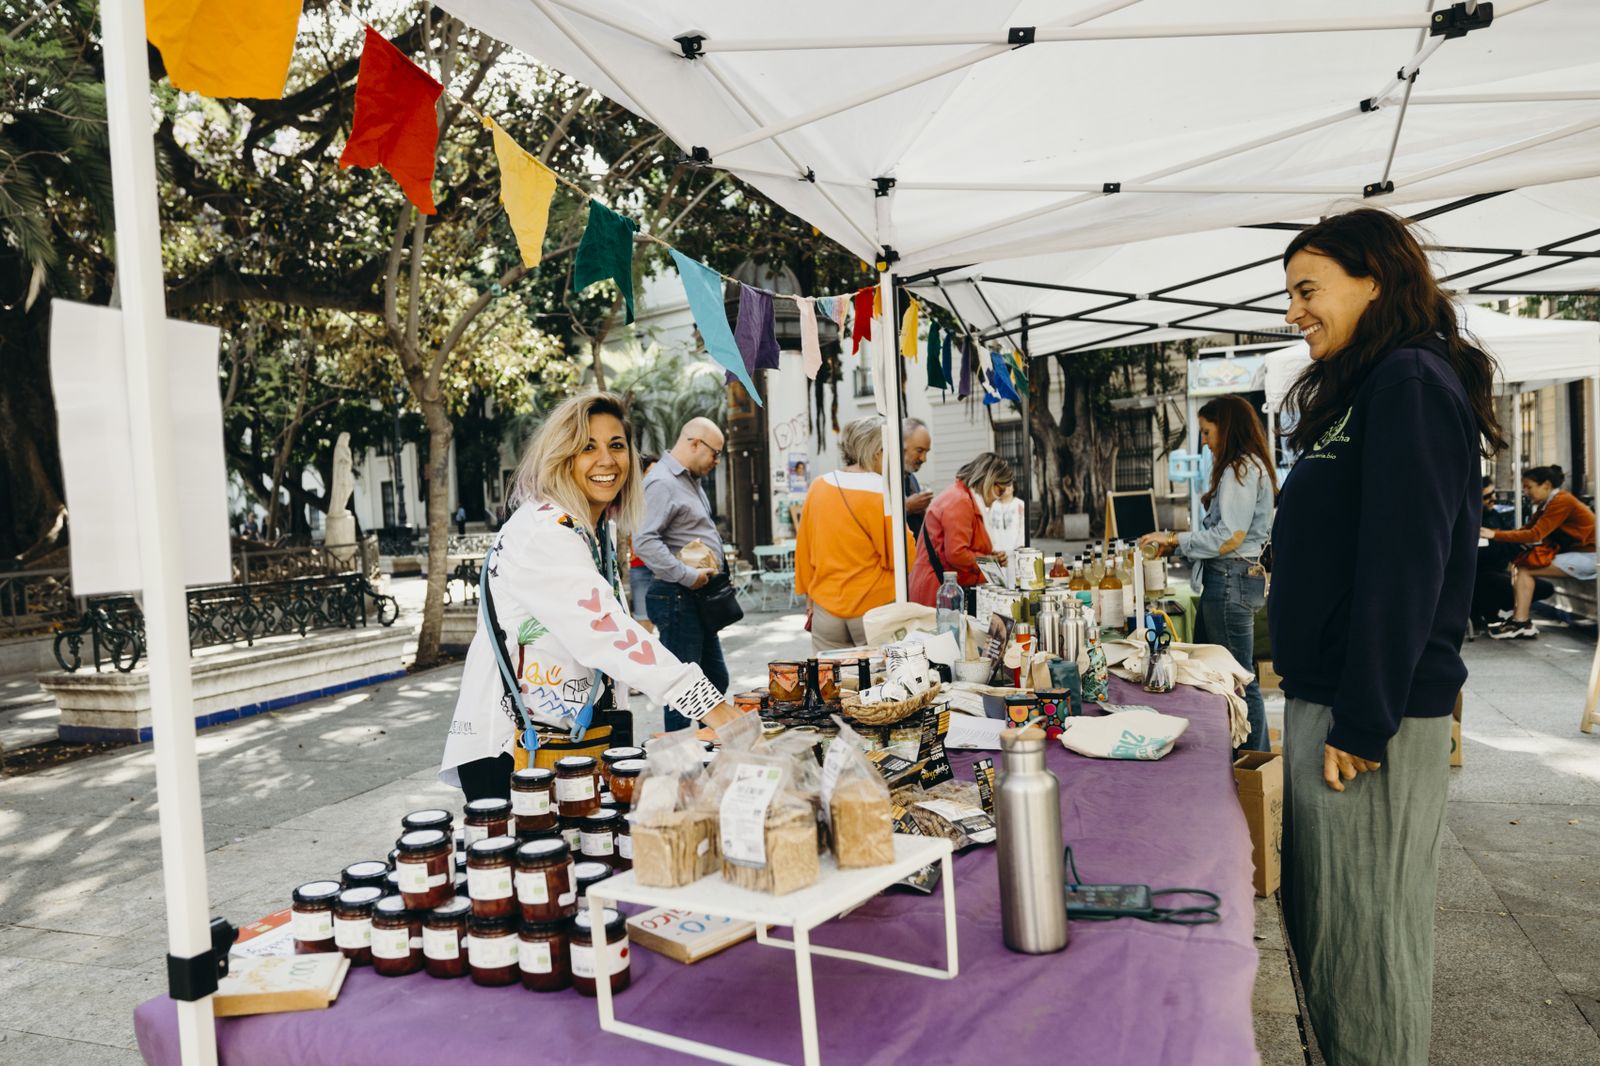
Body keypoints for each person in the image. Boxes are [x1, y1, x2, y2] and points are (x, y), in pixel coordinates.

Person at [1267, 208, 1506, 1066]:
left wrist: (1365, 720)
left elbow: (1408, 564)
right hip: (1333, 699)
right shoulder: (1368, 384)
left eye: (1307, 289)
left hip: (1368, 718)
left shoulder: (1408, 381)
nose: (1294, 310)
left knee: (1364, 941)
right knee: (1331, 933)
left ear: (1374, 278)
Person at [439, 393, 741, 801]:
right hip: (512, 749)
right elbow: (607, 631)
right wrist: (711, 706)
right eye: (587, 447)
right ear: (562, 457)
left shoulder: (592, 527)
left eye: (616, 446)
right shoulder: (545, 531)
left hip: (568, 740)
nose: (607, 460)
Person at [1140, 394, 1276, 752]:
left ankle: (1252, 765)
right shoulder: (1246, 467)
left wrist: (1173, 538)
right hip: (1233, 578)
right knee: (1224, 675)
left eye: (1206, 431)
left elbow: (1228, 535)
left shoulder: (1239, 469)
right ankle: (1241, 760)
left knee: (1236, 679)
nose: (1203, 441)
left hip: (1231, 579)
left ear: (1226, 427)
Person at [636, 417, 731, 732]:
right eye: (715, 453)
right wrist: (687, 575)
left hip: (694, 597)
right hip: (676, 596)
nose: (716, 461)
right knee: (681, 688)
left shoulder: (689, 480)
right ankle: (678, 764)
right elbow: (644, 540)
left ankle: (707, 744)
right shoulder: (662, 482)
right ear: (694, 443)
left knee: (715, 679)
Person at [794, 417, 909, 652]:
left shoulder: (818, 485)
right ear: (877, 452)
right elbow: (901, 555)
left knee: (831, 684)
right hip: (873, 608)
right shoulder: (881, 490)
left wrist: (810, 599)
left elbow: (804, 550)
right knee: (880, 684)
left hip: (826, 608)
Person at [1483, 464, 1596, 639]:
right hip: (1581, 554)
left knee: (1525, 569)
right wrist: (1495, 534)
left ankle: (1521, 621)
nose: (1526, 492)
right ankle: (1519, 619)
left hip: (1591, 556)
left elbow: (1535, 534)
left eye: (1529, 487)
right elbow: (1526, 530)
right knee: (1519, 565)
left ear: (1546, 485)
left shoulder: (1561, 501)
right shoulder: (1548, 503)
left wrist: (1494, 534)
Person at [909, 453, 1013, 606]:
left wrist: (989, 556)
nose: (1000, 496)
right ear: (990, 481)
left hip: (942, 587)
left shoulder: (962, 495)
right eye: (1001, 490)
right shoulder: (960, 500)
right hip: (936, 590)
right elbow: (957, 553)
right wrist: (989, 560)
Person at [1471, 476, 1553, 628]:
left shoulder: (1494, 515)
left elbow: (1507, 542)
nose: (1493, 499)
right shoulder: (1472, 520)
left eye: (1493, 493)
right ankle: (1481, 612)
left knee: (1545, 587)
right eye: (1487, 497)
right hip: (1478, 576)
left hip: (1498, 570)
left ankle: (1490, 612)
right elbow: (1483, 554)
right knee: (1508, 583)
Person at [626, 454, 659, 622]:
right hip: (640, 566)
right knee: (643, 619)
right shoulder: (631, 500)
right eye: (651, 472)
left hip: (664, 567)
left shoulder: (664, 498)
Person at [983, 482, 1026, 585]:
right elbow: (987, 526)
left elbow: (1023, 526)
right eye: (1003, 485)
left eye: (1009, 485)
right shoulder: (993, 504)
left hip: (1013, 551)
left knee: (1013, 582)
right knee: (997, 583)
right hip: (997, 552)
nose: (1006, 488)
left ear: (1013, 488)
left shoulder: (1019, 504)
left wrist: (1020, 546)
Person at [902, 418, 934, 537]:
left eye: (926, 452)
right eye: (919, 450)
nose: (924, 459)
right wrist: (908, 507)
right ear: (901, 446)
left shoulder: (911, 477)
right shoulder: (884, 478)